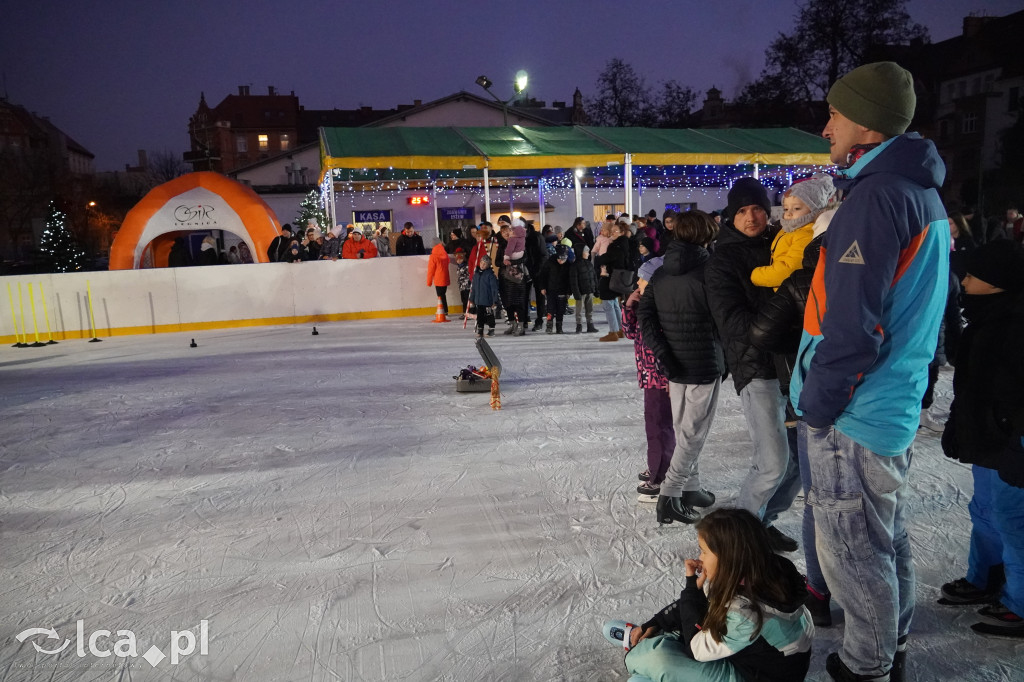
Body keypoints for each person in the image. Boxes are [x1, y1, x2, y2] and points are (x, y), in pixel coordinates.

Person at [789, 62, 951, 682]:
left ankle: (867, 666)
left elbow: (854, 328)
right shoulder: (918, 192)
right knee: (883, 538)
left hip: (857, 410)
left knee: (854, 552)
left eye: (835, 113)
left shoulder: (877, 197)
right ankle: (892, 643)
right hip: (891, 401)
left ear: (866, 122)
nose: (826, 126)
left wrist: (819, 404)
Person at [602, 508, 813, 682]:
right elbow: (700, 602)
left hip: (755, 675)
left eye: (704, 551)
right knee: (681, 629)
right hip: (748, 655)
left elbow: (696, 650)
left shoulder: (745, 615)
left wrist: (691, 588)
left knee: (659, 661)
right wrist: (656, 622)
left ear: (728, 558)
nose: (699, 557)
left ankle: (642, 654)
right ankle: (651, 644)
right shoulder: (749, 571)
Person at [706, 177, 801, 552]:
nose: (751, 217)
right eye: (742, 211)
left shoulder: (783, 243)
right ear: (731, 215)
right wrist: (783, 325)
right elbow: (732, 321)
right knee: (773, 462)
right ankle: (739, 542)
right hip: (756, 368)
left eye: (758, 209)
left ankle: (762, 523)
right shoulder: (723, 260)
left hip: (794, 365)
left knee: (799, 463)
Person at [938, 241, 1024, 639]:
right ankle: (986, 575)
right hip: (988, 436)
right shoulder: (985, 313)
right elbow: (968, 372)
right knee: (985, 509)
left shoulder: (1016, 322)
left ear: (997, 281)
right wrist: (960, 426)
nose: (965, 280)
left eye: (972, 275)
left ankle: (1020, 603)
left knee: (1013, 518)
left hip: (1011, 442)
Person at [637, 211, 724, 523]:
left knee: (684, 429)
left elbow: (644, 316)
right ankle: (670, 495)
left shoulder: (661, 272)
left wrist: (663, 353)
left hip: (674, 364)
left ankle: (691, 486)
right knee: (692, 433)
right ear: (706, 235)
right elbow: (724, 318)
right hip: (703, 363)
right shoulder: (711, 270)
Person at [623, 255, 672, 502]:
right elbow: (630, 333)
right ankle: (658, 468)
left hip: (661, 379)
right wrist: (629, 307)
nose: (637, 283)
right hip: (650, 377)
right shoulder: (646, 305)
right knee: (654, 425)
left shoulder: (663, 309)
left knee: (659, 427)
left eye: (642, 279)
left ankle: (660, 477)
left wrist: (669, 377)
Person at [751, 175, 834, 290]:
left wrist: (755, 275)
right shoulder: (788, 230)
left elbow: (788, 270)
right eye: (786, 209)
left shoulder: (806, 234)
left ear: (815, 209)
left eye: (797, 208)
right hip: (784, 289)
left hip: (791, 292)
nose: (789, 213)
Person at [595, 220, 630, 342]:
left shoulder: (616, 245)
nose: (613, 233)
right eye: (612, 231)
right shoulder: (623, 243)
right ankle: (620, 330)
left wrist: (599, 259)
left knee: (608, 304)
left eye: (616, 231)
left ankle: (613, 332)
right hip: (617, 278)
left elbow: (609, 258)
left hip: (610, 277)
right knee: (614, 303)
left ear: (622, 232)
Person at [537, 244, 572, 334]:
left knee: (561, 310)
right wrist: (542, 287)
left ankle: (559, 327)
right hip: (551, 290)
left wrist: (569, 291)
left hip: (562, 291)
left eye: (563, 259)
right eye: (559, 259)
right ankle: (549, 326)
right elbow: (543, 276)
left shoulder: (568, 265)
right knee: (550, 309)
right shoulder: (550, 262)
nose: (561, 261)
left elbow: (570, 280)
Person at [468, 255, 499, 338]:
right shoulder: (476, 275)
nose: (482, 265)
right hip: (479, 300)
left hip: (488, 301)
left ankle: (491, 329)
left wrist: (495, 300)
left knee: (489, 315)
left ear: (488, 265)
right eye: (481, 263)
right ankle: (480, 330)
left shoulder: (490, 275)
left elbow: (494, 289)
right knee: (480, 316)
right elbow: (474, 288)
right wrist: (472, 299)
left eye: (485, 264)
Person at [427, 240, 452, 315]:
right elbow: (448, 261)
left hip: (438, 279)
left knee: (440, 296)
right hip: (445, 278)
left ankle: (443, 310)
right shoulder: (445, 254)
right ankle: (445, 310)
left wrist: (429, 282)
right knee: (443, 295)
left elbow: (431, 270)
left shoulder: (433, 256)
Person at [454, 248, 471, 319]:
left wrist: (469, 283)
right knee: (463, 300)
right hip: (461, 287)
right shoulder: (459, 267)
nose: (459, 261)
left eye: (460, 259)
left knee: (467, 300)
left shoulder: (466, 266)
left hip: (467, 286)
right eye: (458, 260)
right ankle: (465, 313)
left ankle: (468, 313)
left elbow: (469, 275)